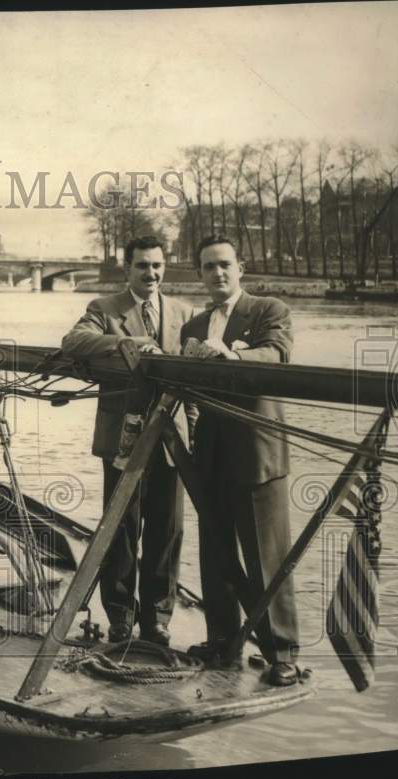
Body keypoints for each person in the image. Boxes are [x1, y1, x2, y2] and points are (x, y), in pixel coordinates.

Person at [62, 235, 196, 646]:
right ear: (128, 269)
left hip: (172, 439)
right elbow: (73, 343)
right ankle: (120, 616)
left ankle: (156, 618)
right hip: (122, 439)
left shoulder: (185, 313)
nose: (151, 274)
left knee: (167, 530)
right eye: (142, 266)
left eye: (157, 266)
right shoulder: (104, 310)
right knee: (121, 528)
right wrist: (128, 343)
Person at [180, 234, 300, 687]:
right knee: (215, 552)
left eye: (225, 264)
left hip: (256, 453)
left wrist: (232, 354)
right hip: (209, 451)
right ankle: (223, 639)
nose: (218, 273)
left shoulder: (269, 311)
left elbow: (278, 355)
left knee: (266, 556)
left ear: (240, 268)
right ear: (200, 274)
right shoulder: (192, 327)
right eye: (209, 266)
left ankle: (283, 651)